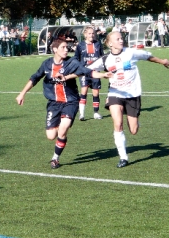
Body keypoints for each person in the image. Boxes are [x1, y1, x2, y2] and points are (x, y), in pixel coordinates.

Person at [15, 39, 112, 169]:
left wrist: (103, 75)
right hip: (54, 103)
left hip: (70, 102)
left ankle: (55, 158)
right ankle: (59, 136)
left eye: (67, 47)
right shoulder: (47, 64)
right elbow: (34, 78)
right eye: (63, 47)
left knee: (63, 129)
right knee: (51, 136)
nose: (67, 50)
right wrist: (22, 93)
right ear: (55, 49)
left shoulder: (72, 62)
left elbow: (87, 71)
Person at [87, 32, 169, 168]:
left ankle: (134, 120)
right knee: (118, 123)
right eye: (117, 39)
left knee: (133, 130)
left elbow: (148, 56)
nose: (121, 41)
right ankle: (123, 157)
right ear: (109, 43)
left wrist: (162, 61)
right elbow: (87, 70)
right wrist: (67, 75)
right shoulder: (105, 59)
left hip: (132, 94)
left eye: (121, 38)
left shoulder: (131, 53)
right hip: (115, 93)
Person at [74, 26, 104, 120]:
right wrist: (79, 68)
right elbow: (76, 58)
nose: (91, 35)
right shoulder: (80, 45)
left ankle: (96, 112)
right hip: (84, 72)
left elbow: (102, 57)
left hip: (95, 72)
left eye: (93, 33)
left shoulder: (98, 44)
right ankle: (82, 114)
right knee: (84, 91)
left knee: (95, 92)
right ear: (85, 35)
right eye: (89, 33)